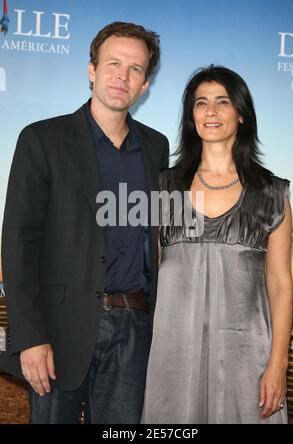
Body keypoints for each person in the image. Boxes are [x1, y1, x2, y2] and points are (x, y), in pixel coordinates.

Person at [0, 21, 169, 424]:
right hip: (58, 332)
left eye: (135, 69)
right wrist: (30, 337)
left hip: (134, 329)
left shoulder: (157, 147)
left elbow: (161, 236)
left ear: (144, 84)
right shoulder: (41, 139)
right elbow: (18, 244)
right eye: (113, 63)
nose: (122, 76)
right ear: (91, 70)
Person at [142, 65, 293, 424]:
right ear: (191, 116)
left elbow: (281, 284)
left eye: (222, 102)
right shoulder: (163, 188)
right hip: (173, 359)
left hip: (247, 361)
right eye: (201, 103)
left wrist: (278, 364)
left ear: (241, 114)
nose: (210, 111)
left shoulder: (272, 193)